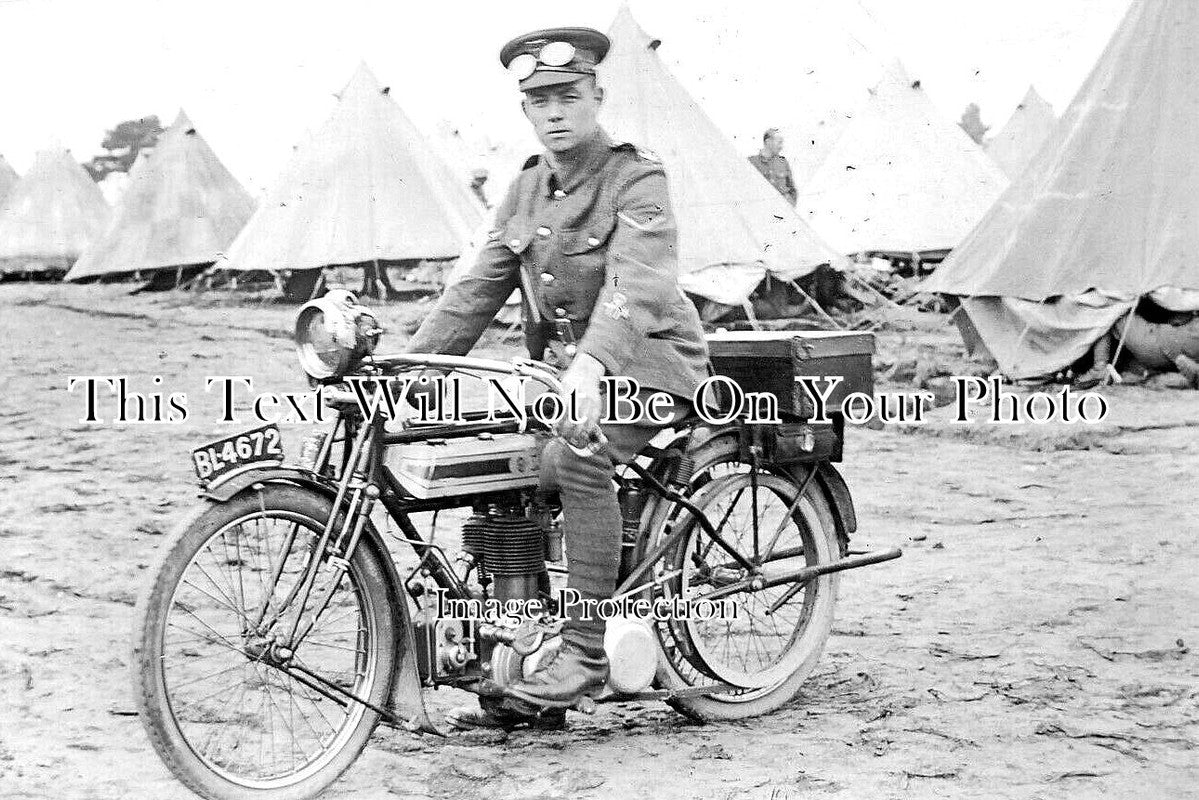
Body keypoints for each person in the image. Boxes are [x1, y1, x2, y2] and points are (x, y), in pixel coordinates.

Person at [403, 27, 711, 728]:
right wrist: (409, 368)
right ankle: (519, 653)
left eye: (568, 95)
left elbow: (637, 285)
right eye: (538, 100)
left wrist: (592, 364)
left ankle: (582, 654)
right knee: (495, 462)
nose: (554, 111)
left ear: (596, 96)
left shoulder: (636, 176)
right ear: (524, 110)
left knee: (577, 450)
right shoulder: (525, 188)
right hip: (564, 374)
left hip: (650, 363)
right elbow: (477, 288)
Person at [748, 127, 797, 206]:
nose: (781, 146)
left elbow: (792, 190)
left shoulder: (783, 163)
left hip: (780, 213)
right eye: (779, 142)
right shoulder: (751, 162)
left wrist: (790, 206)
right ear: (768, 142)